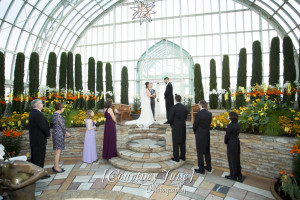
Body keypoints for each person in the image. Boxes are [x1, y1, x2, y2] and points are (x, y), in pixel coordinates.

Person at [28, 99, 50, 179]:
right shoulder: (37, 114)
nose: (42, 105)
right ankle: (39, 174)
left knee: (36, 157)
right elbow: (43, 126)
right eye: (41, 103)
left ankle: (36, 173)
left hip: (36, 139)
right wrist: (47, 134)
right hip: (38, 139)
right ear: (37, 105)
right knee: (39, 157)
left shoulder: (34, 113)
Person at [193, 100, 212, 174]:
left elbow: (195, 125)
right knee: (207, 151)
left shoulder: (198, 114)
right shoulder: (209, 114)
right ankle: (209, 167)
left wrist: (196, 132)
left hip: (200, 134)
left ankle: (201, 169)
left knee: (200, 152)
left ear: (200, 105)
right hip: (207, 134)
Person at [52, 102, 70, 173]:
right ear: (60, 108)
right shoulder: (58, 116)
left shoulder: (54, 115)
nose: (63, 109)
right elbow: (62, 125)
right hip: (58, 134)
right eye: (63, 108)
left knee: (57, 151)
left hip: (57, 133)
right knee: (58, 151)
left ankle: (56, 166)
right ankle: (56, 167)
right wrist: (66, 132)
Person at [169, 94, 188, 162]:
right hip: (183, 126)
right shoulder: (184, 107)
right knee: (183, 142)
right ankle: (183, 157)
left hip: (175, 127)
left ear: (175, 100)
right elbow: (185, 117)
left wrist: (172, 124)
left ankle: (176, 158)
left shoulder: (173, 108)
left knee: (175, 142)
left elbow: (170, 119)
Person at [224, 111, 242, 182]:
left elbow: (227, 136)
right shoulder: (237, 125)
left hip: (231, 144)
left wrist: (225, 141)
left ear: (230, 117)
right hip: (236, 143)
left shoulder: (230, 126)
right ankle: (237, 174)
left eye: (229, 115)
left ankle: (233, 175)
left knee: (231, 160)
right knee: (236, 159)